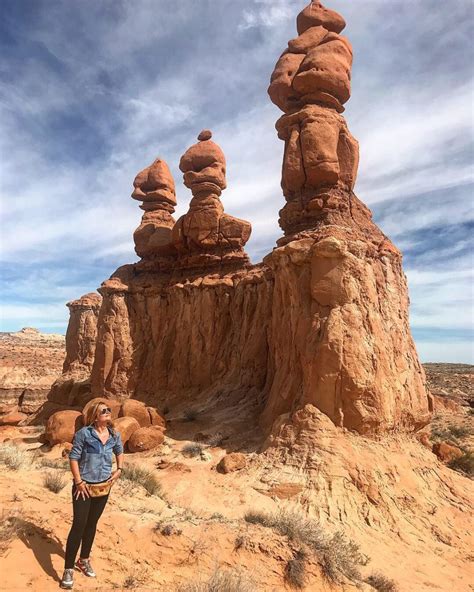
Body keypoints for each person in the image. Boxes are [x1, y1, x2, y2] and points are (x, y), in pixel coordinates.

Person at [60, 401, 124, 590]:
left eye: (109, 410)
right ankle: (68, 569)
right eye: (104, 411)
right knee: (79, 525)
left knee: (92, 523)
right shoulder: (84, 434)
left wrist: (119, 469)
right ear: (95, 416)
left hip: (103, 486)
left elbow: (119, 451)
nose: (108, 413)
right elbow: (74, 457)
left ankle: (84, 559)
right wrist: (78, 481)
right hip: (84, 486)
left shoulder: (114, 434)